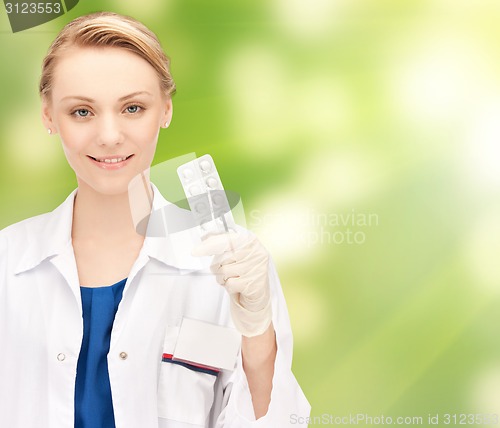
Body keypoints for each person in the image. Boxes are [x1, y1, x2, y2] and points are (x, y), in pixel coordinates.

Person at [0, 11, 310, 428]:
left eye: (132, 107)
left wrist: (256, 334)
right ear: (48, 116)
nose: (109, 136)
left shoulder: (231, 264)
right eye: (81, 112)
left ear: (165, 109)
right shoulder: (7, 264)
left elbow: (277, 422)